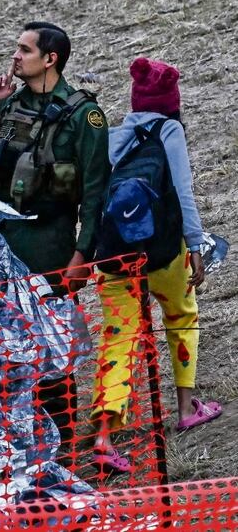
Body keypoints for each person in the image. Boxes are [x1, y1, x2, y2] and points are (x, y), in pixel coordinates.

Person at [0, 21, 110, 450]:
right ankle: (21, 442)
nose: (15, 56)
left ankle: (64, 443)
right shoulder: (10, 103)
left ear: (50, 59)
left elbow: (95, 194)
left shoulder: (84, 117)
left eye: (24, 50)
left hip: (48, 248)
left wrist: (81, 255)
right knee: (6, 347)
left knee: (52, 346)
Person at [91, 58, 221, 473]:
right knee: (182, 316)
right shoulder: (170, 131)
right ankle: (186, 408)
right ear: (173, 103)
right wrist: (197, 245)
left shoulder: (113, 136)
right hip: (163, 253)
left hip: (115, 255)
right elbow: (182, 192)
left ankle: (104, 438)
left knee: (118, 336)